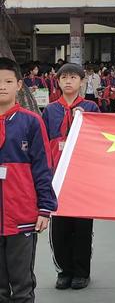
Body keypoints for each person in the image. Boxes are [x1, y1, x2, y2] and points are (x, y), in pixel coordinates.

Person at [0, 57, 57, 302]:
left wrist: (45, 208)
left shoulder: (31, 121)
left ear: (19, 85)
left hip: (21, 214)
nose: (2, 86)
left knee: (22, 284)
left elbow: (43, 167)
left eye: (8, 81)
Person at [42, 63, 100, 290]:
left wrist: (83, 119)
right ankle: (64, 270)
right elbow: (45, 143)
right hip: (57, 176)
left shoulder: (91, 107)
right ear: (58, 81)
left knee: (82, 227)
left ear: (81, 82)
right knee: (60, 228)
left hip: (83, 175)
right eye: (64, 77)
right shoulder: (50, 110)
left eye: (73, 77)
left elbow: (100, 139)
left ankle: (81, 272)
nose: (68, 81)